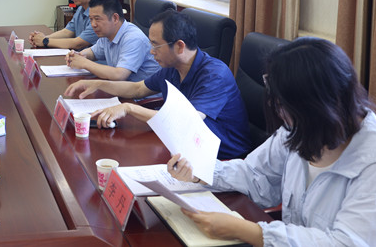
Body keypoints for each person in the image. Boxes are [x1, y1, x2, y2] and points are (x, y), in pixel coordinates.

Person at [167, 37, 376, 246]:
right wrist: (201, 170)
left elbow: (347, 242)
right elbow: (255, 175)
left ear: (317, 106)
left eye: (285, 107)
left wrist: (251, 232)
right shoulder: (300, 127)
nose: (281, 115)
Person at [65, 9, 251, 159]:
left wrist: (129, 108)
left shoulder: (215, 75)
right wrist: (99, 84)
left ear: (179, 46)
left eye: (155, 45)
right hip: (182, 145)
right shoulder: (173, 67)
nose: (151, 51)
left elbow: (187, 120)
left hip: (220, 158)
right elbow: (138, 88)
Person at [65, 0, 159, 81]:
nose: (93, 24)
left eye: (97, 19)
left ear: (115, 18)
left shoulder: (133, 38)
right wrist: (78, 55)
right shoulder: (107, 34)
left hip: (142, 93)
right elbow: (93, 52)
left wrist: (85, 63)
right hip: (122, 88)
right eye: (91, 19)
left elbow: (119, 75)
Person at [29, 0, 99, 50]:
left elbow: (78, 44)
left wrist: (44, 41)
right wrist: (41, 38)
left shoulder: (99, 14)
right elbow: (67, 32)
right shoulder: (81, 9)